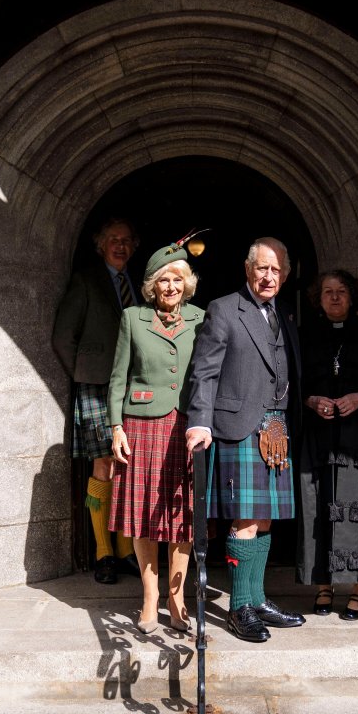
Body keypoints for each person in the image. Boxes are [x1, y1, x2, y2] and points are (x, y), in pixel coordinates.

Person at [186, 237, 306, 643]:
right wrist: (198, 422)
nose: (268, 276)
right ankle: (239, 608)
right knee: (245, 519)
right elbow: (204, 371)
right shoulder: (223, 309)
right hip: (238, 426)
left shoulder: (285, 315)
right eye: (262, 268)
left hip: (277, 428)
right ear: (247, 269)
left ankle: (257, 599)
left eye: (276, 270)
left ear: (285, 275)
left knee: (265, 517)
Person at [107, 236, 205, 633]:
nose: (171, 287)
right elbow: (118, 377)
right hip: (141, 423)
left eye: (178, 279)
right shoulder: (133, 318)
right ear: (151, 285)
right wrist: (115, 427)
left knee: (182, 516)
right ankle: (149, 598)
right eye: (163, 280)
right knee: (144, 514)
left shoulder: (202, 318)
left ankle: (176, 598)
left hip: (185, 426)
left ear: (187, 283)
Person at [297, 270, 358, 620]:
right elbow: (292, 383)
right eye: (327, 292)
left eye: (341, 292)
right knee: (319, 507)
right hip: (319, 436)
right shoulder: (304, 336)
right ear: (318, 299)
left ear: (353, 296)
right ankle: (323, 585)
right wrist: (311, 401)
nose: (334, 298)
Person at [52, 218, 139, 584]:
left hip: (136, 387)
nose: (120, 246)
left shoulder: (139, 285)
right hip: (97, 386)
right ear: (100, 245)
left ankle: (126, 550)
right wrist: (85, 372)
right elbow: (62, 336)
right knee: (102, 466)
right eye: (113, 240)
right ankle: (104, 550)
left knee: (128, 467)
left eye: (126, 240)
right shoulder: (86, 280)